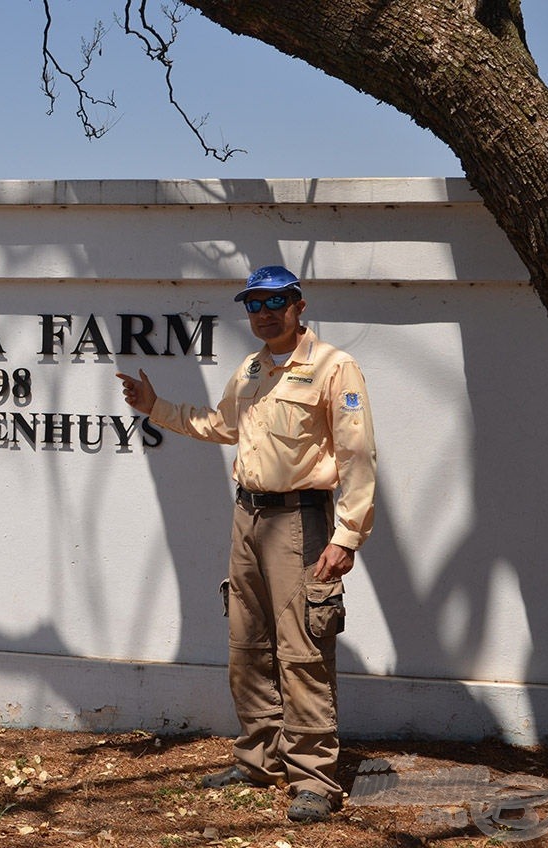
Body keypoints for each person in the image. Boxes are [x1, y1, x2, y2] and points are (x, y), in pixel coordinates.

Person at [116, 265, 376, 823]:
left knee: (303, 650)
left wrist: (347, 534)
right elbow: (221, 424)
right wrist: (155, 407)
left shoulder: (335, 367)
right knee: (247, 642)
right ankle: (261, 758)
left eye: (275, 302)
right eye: (254, 304)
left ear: (298, 305)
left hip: (301, 521)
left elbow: (356, 455)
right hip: (248, 516)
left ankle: (315, 779)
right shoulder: (254, 367)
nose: (264, 313)